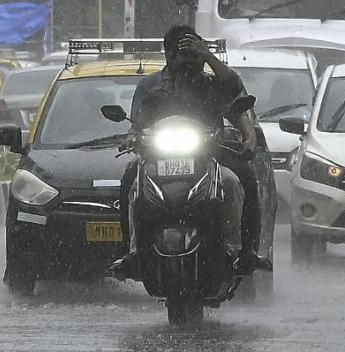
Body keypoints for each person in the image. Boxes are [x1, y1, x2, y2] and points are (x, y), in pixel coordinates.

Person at [110, 25, 268, 278]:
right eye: (184, 55)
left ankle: (244, 251)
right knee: (131, 176)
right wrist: (131, 138)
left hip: (211, 154)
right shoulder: (156, 94)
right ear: (170, 58)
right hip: (161, 157)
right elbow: (138, 125)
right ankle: (132, 252)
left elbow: (234, 86)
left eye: (195, 55)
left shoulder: (213, 88)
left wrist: (207, 54)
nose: (190, 61)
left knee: (241, 178)